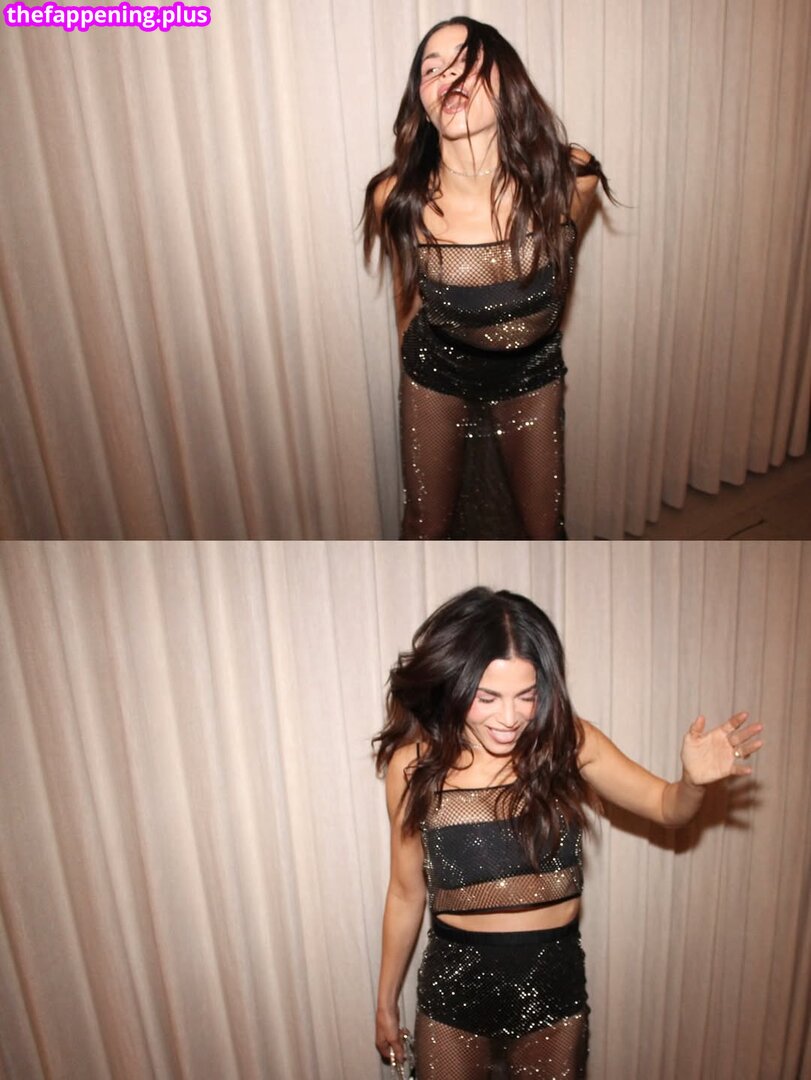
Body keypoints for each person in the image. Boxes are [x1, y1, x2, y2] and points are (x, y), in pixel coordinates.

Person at [372, 587, 764, 1078]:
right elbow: (406, 893)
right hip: (455, 986)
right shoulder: (413, 768)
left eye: (527, 696)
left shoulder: (570, 743)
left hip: (553, 984)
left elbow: (668, 808)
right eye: (487, 697)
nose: (509, 717)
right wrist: (385, 1002)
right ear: (454, 682)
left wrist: (692, 784)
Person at [362, 17, 619, 540]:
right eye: (432, 69)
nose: (447, 76)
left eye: (466, 61)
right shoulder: (396, 197)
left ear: (507, 79)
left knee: (543, 528)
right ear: (423, 103)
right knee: (426, 526)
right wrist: (413, 381)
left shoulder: (572, 179)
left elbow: (558, 276)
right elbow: (406, 304)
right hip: (436, 375)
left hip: (532, 375)